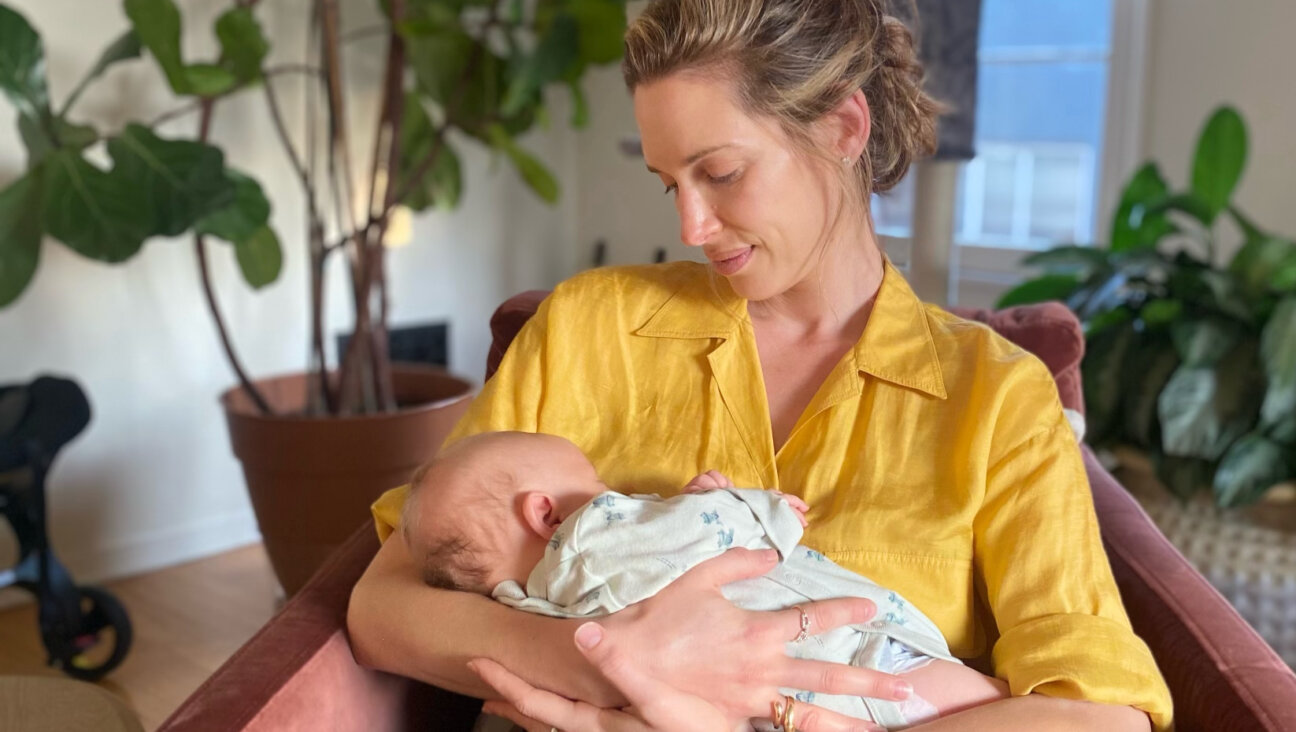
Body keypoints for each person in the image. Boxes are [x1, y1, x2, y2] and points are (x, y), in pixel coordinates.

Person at [348, 0, 1174, 729]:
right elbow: (383, 608)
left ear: (844, 129)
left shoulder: (995, 396)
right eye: (667, 182)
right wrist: (613, 663)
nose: (692, 225)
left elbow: (1099, 712)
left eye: (721, 172)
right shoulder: (587, 327)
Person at [400, 431, 1012, 730]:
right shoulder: (588, 537)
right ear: (544, 512)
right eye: (596, 483)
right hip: (854, 663)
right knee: (990, 701)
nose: (617, 498)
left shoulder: (533, 609)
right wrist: (748, 507)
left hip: (773, 714)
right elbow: (697, 532)